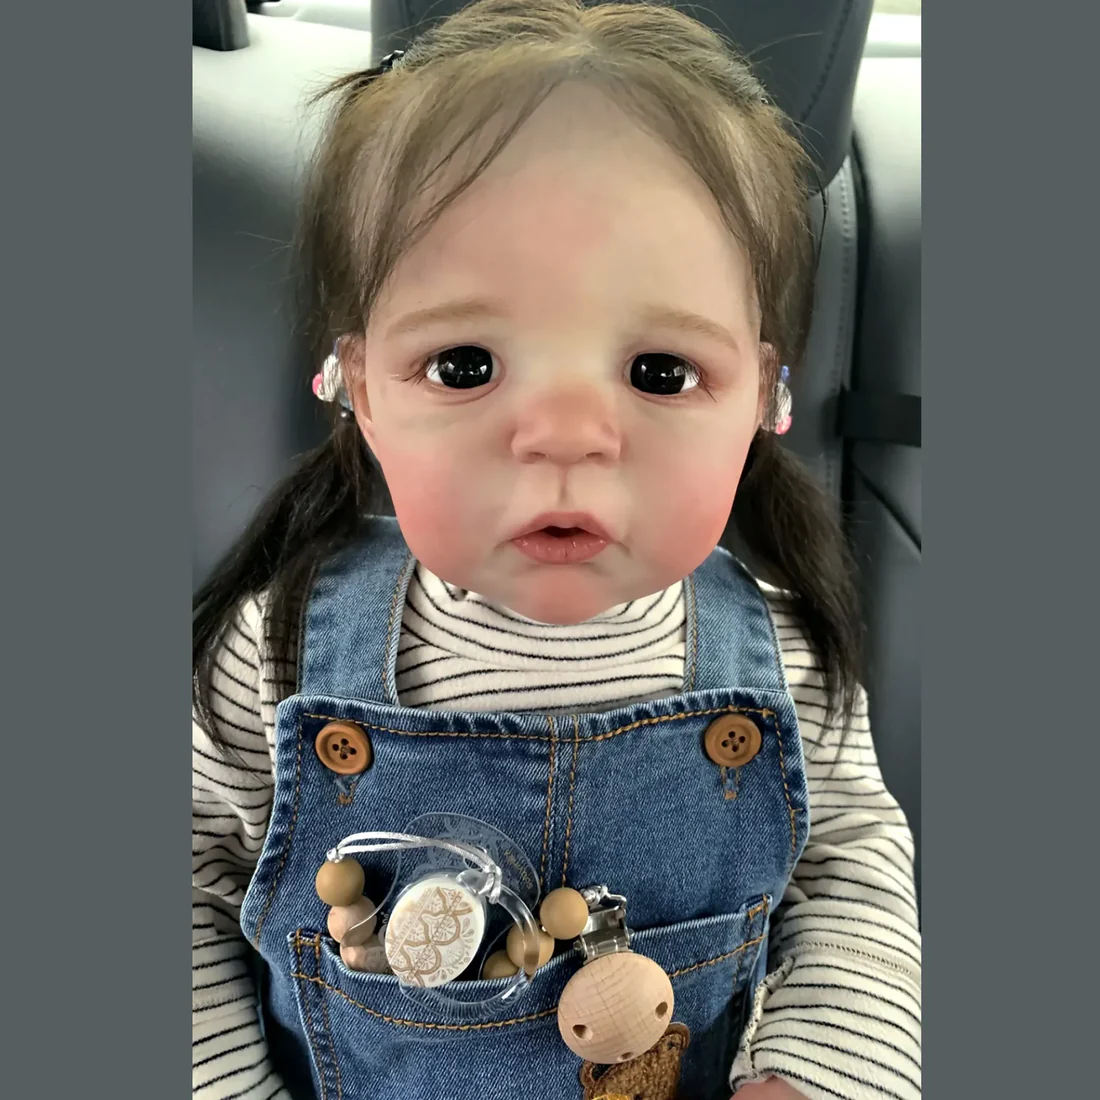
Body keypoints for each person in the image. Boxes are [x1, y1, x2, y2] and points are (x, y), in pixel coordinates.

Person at [191, 3, 921, 1098]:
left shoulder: (783, 659)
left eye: (661, 372)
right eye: (465, 365)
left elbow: (850, 869)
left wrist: (819, 1070)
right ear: (361, 391)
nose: (567, 436)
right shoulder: (279, 650)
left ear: (763, 401)